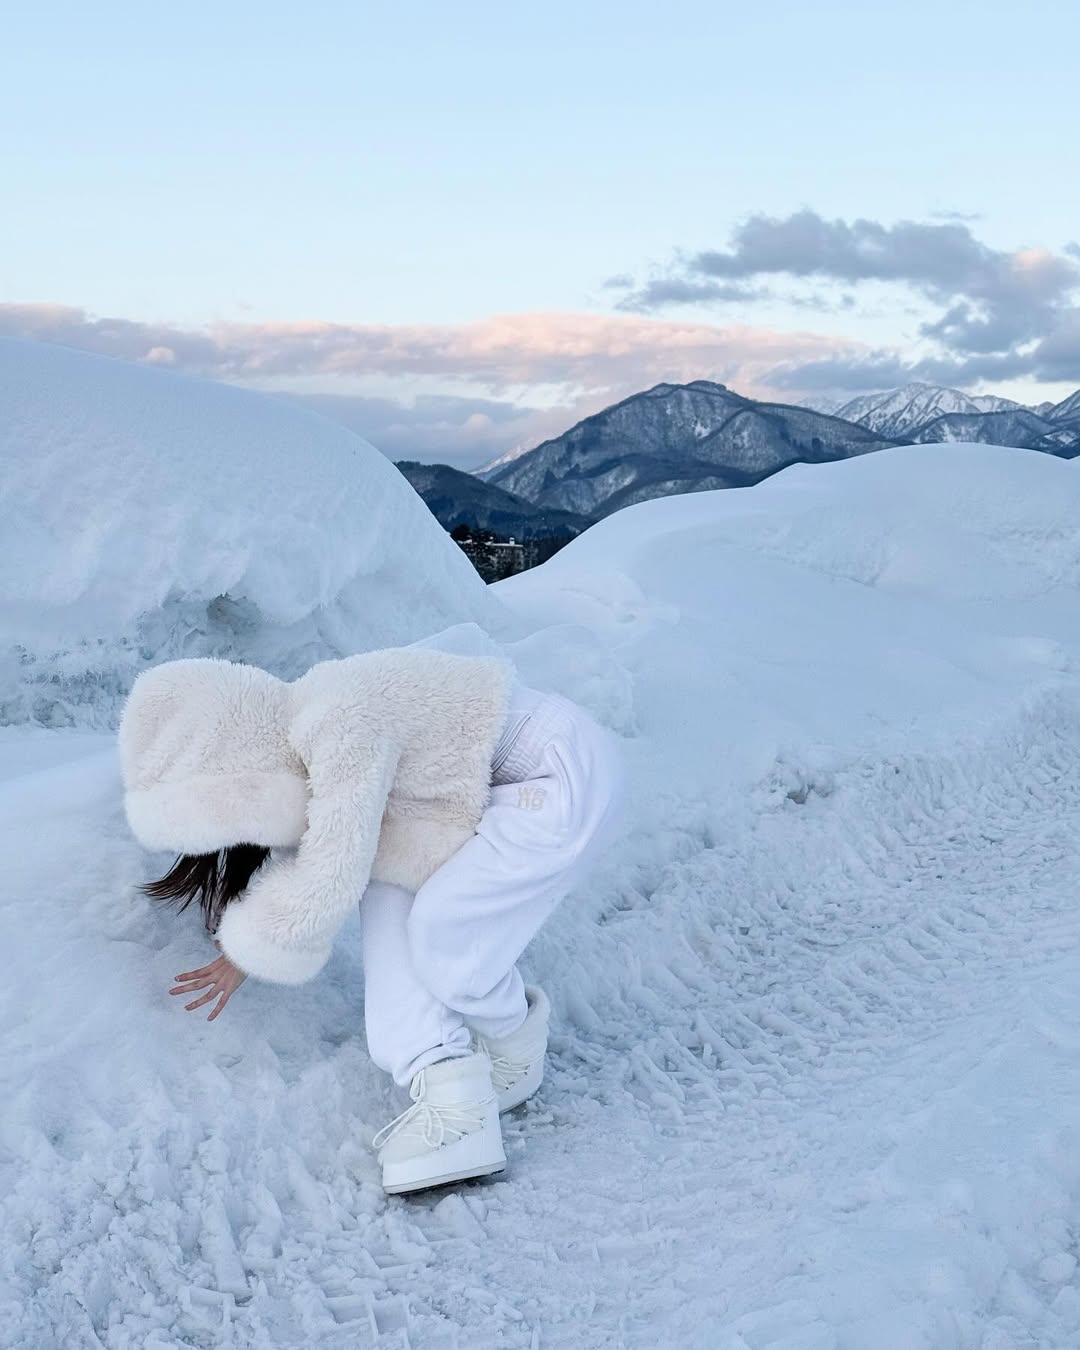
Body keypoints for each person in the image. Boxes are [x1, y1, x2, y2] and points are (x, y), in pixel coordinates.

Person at [118, 646, 625, 1195]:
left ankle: (506, 1053)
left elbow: (335, 861)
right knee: (390, 895)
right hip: (496, 787)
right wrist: (253, 939)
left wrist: (251, 949)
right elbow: (327, 846)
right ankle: (449, 1079)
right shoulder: (311, 730)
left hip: (554, 775)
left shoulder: (336, 717)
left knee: (443, 932)